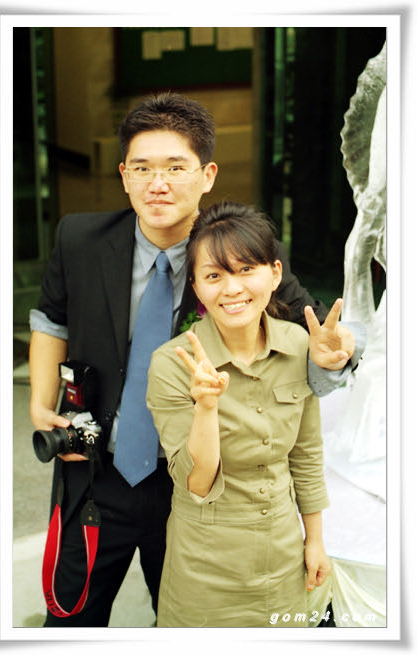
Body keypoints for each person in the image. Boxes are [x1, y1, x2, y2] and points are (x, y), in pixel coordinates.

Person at [28, 92, 363, 627]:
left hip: (192, 488)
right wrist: (42, 403)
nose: (157, 184)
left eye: (175, 167)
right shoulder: (80, 238)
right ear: (124, 176)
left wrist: (334, 358)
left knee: (181, 620)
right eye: (142, 168)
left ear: (207, 175)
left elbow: (320, 340)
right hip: (94, 473)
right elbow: (51, 321)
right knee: (69, 621)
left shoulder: (239, 258)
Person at [147, 201, 331, 627]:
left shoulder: (298, 344)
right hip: (205, 569)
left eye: (247, 269)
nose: (232, 289)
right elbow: (196, 483)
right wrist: (206, 407)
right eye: (214, 276)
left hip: (284, 558)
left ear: (275, 273)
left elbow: (306, 454)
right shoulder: (172, 364)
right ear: (196, 286)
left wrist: (315, 540)